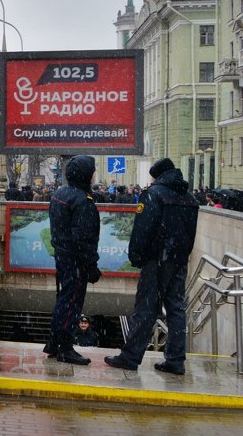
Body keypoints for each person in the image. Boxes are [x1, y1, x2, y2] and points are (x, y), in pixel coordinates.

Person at [105, 158, 200, 375]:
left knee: (146, 308)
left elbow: (143, 228)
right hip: (178, 260)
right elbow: (190, 233)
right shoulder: (189, 197)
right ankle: (175, 360)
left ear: (157, 176)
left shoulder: (154, 194)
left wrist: (136, 255)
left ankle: (130, 357)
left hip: (157, 260)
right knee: (176, 308)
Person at [44, 155, 101, 365]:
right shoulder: (81, 200)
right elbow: (84, 238)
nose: (94, 175)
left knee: (63, 299)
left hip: (62, 255)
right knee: (71, 303)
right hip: (75, 260)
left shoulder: (60, 193)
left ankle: (54, 342)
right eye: (92, 171)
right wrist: (91, 265)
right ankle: (65, 347)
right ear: (85, 174)